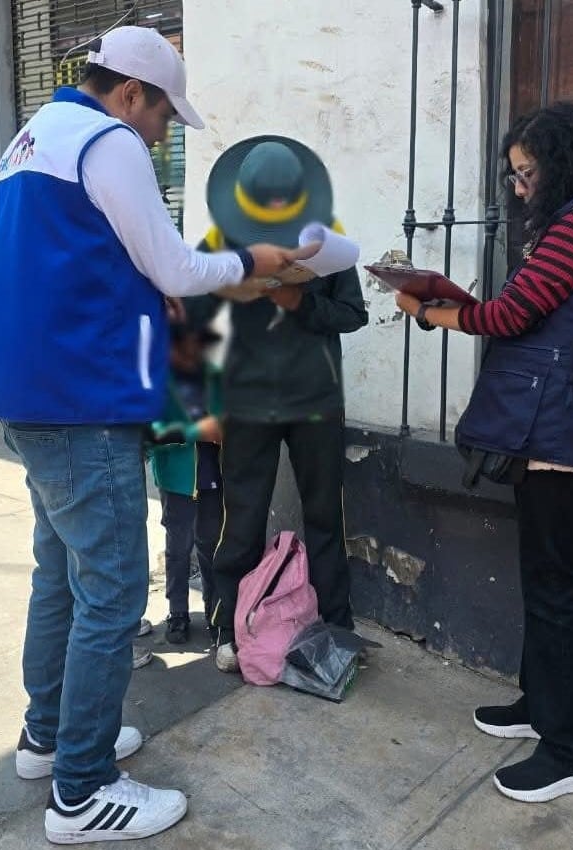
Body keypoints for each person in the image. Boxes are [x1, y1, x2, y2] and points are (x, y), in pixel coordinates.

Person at [0, 26, 293, 845]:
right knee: (115, 590)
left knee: (63, 577)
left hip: (32, 397)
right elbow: (177, 267)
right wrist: (250, 260)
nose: (159, 136)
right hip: (85, 404)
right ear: (129, 94)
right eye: (161, 117)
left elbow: (74, 266)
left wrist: (143, 298)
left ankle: (47, 738)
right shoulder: (107, 139)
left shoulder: (27, 141)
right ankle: (82, 791)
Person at [393, 102, 573, 803]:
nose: (520, 187)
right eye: (514, 176)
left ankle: (571, 752)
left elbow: (510, 314)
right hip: (553, 432)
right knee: (543, 579)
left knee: (556, 588)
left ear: (563, 164)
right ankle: (541, 705)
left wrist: (430, 310)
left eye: (528, 173)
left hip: (561, 437)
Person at [187, 136, 369, 673]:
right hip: (246, 403)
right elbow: (190, 321)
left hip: (316, 403)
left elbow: (353, 314)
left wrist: (302, 300)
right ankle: (227, 627)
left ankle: (337, 628)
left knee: (325, 518)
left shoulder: (326, 242)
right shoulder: (220, 242)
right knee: (240, 517)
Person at [147, 314, 224, 644]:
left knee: (211, 546)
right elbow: (150, 435)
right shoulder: (160, 381)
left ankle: (215, 610)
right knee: (179, 548)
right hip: (178, 480)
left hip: (214, 476)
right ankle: (177, 611)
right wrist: (195, 431)